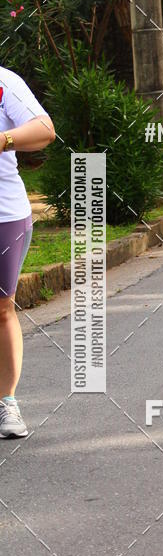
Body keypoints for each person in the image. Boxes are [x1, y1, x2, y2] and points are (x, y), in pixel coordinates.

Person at [0, 67, 55, 437]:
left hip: (3, 213)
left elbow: (44, 129)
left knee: (1, 308)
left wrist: (3, 139)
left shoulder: (4, 83)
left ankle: (7, 403)